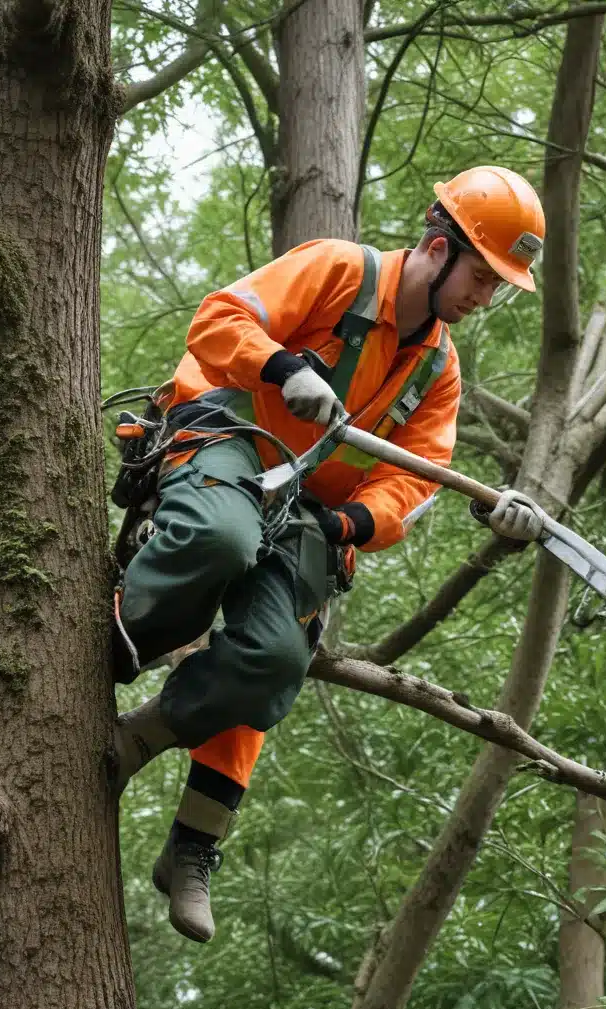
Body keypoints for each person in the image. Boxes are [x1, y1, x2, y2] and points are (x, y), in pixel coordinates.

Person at [112, 166, 549, 943]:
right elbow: (217, 322)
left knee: (276, 656)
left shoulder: (437, 373)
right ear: (438, 247)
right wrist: (280, 366)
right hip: (229, 440)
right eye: (482, 277)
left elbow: (410, 483)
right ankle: (124, 637)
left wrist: (353, 523)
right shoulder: (338, 269)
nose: (484, 298)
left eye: (497, 287)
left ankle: (175, 800)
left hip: (307, 508)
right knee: (223, 536)